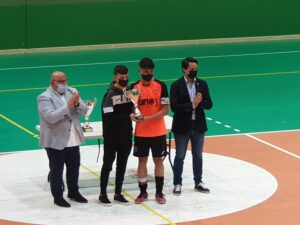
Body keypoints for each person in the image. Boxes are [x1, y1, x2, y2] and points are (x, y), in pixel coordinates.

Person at [37, 71, 88, 208]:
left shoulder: (72, 91)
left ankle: (73, 192)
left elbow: (84, 111)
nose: (64, 84)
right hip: (55, 140)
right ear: (53, 82)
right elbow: (51, 117)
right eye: (61, 81)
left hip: (73, 138)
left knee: (74, 167)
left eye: (65, 80)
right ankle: (58, 196)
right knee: (56, 169)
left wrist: (77, 104)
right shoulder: (44, 97)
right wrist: (68, 106)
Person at [170, 57, 213, 196]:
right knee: (180, 156)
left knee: (198, 156)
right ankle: (177, 183)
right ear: (184, 69)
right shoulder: (176, 85)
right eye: (192, 69)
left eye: (196, 69)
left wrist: (200, 103)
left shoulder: (202, 84)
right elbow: (174, 107)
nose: (194, 71)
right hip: (182, 127)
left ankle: (198, 182)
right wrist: (192, 105)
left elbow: (209, 104)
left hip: (198, 126)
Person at [130, 57, 169, 204]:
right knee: (142, 161)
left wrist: (148, 118)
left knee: (158, 160)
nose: (148, 74)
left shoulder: (161, 85)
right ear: (140, 71)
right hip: (141, 133)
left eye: (151, 72)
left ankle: (159, 193)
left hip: (158, 132)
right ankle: (142, 192)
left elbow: (165, 110)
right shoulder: (133, 87)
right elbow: (132, 109)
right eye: (145, 71)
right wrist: (133, 116)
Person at [99, 65, 134, 206]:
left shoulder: (131, 91)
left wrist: (136, 113)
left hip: (126, 135)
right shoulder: (109, 94)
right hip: (112, 137)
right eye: (121, 77)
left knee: (122, 166)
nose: (124, 79)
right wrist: (128, 117)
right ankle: (103, 193)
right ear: (115, 77)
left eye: (126, 77)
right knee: (108, 165)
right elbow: (109, 117)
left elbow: (134, 107)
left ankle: (118, 193)